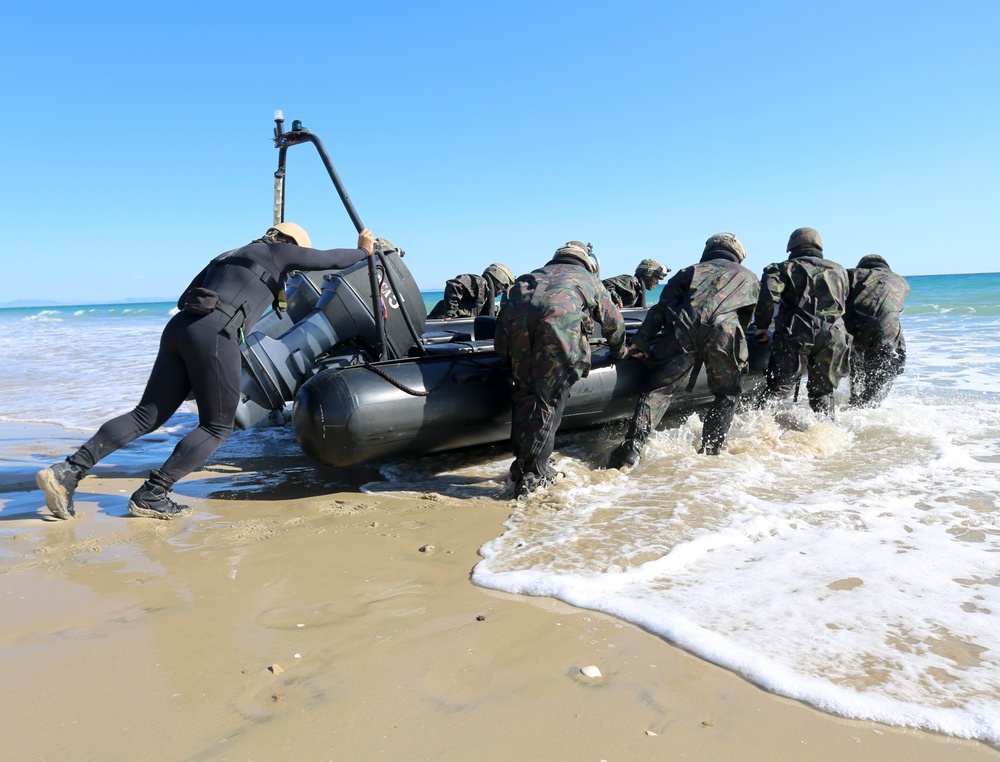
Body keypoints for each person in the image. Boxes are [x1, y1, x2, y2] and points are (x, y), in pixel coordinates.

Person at [35, 222, 374, 521]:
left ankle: (69, 469)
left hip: (179, 329)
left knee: (145, 415)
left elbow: (188, 296)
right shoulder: (277, 252)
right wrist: (363, 250)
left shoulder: (225, 256)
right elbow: (330, 259)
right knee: (217, 426)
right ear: (289, 244)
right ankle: (154, 493)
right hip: (215, 332)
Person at [607, 233, 760, 469]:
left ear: (708, 250)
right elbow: (746, 320)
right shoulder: (749, 277)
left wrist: (641, 339)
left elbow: (660, 309)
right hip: (724, 332)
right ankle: (710, 453)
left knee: (659, 390)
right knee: (727, 394)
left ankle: (631, 449)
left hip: (682, 331)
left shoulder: (689, 271)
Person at [495, 241, 625, 496]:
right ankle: (534, 474)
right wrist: (620, 352)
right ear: (588, 262)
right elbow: (613, 322)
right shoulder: (588, 281)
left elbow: (502, 322)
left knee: (524, 396)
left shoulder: (528, 277)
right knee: (549, 402)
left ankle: (520, 466)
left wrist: (505, 356)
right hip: (556, 342)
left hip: (519, 344)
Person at [753, 226, 849, 417]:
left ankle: (756, 430)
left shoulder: (782, 268)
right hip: (834, 335)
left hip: (796, 333)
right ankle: (827, 435)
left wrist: (762, 328)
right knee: (823, 392)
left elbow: (768, 297)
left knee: (779, 388)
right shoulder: (839, 270)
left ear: (792, 247)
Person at [845, 254, 910, 407]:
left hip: (853, 334)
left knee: (855, 367)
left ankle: (854, 401)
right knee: (874, 396)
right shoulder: (901, 281)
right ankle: (867, 409)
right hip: (886, 337)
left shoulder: (852, 274)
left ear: (862, 267)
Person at [427, 263, 516, 319]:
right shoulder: (480, 283)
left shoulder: (488, 302)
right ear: (500, 282)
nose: (502, 291)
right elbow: (454, 285)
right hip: (439, 323)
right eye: (504, 287)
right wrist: (450, 314)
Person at [602, 258, 671, 308]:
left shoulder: (637, 288)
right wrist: (616, 300)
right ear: (648, 275)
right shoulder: (631, 282)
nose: (657, 282)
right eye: (657, 278)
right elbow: (605, 283)